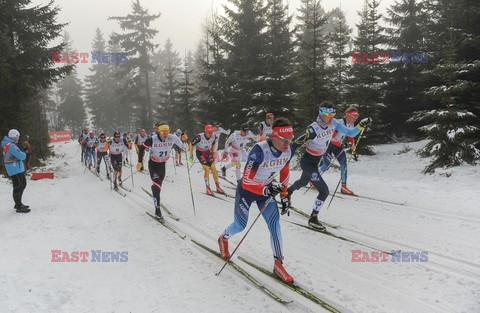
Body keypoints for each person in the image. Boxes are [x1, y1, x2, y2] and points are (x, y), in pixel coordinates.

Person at [218, 117, 295, 283]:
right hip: (248, 191)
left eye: (290, 138)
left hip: (265, 190)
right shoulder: (259, 150)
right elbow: (246, 182)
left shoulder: (288, 149)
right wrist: (265, 189)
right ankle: (223, 238)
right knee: (240, 225)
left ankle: (278, 263)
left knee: (275, 225)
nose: (288, 143)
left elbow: (285, 168)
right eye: (284, 139)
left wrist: (284, 194)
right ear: (274, 136)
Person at [287, 101, 371, 231]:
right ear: (321, 114)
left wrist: (360, 125)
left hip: (316, 161)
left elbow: (351, 133)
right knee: (324, 191)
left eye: (333, 113)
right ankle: (313, 218)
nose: (331, 116)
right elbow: (294, 144)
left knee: (303, 181)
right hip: (308, 162)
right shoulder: (312, 129)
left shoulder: (334, 123)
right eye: (328, 114)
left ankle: (288, 191)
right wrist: (285, 161)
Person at [143, 123, 184, 220]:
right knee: (157, 187)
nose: (165, 134)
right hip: (153, 164)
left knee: (158, 187)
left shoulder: (172, 137)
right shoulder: (152, 138)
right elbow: (142, 147)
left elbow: (181, 145)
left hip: (162, 166)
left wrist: (183, 147)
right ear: (159, 132)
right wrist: (140, 162)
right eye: (163, 133)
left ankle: (154, 189)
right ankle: (157, 209)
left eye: (167, 132)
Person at [319, 106, 359, 195]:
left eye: (357, 117)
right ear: (347, 115)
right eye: (353, 116)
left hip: (338, 146)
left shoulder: (351, 125)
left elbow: (351, 137)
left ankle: (343, 187)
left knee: (344, 165)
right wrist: (342, 143)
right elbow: (330, 136)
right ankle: (313, 178)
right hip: (329, 145)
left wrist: (354, 150)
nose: (355, 119)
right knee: (327, 165)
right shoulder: (339, 123)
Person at [188, 124, 225, 196]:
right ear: (205, 131)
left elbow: (213, 143)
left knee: (214, 168)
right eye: (209, 132)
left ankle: (218, 186)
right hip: (200, 153)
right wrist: (191, 155)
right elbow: (191, 144)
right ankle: (208, 188)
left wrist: (213, 151)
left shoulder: (214, 136)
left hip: (207, 152)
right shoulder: (199, 137)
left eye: (211, 132)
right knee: (207, 169)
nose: (211, 134)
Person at [2, 129, 30, 213]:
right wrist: (25, 153)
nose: (18, 138)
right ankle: (18, 206)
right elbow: (21, 156)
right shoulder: (11, 145)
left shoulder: (11, 144)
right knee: (18, 186)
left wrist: (23, 153)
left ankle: (18, 203)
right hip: (14, 168)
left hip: (17, 167)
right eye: (18, 136)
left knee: (23, 184)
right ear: (14, 136)